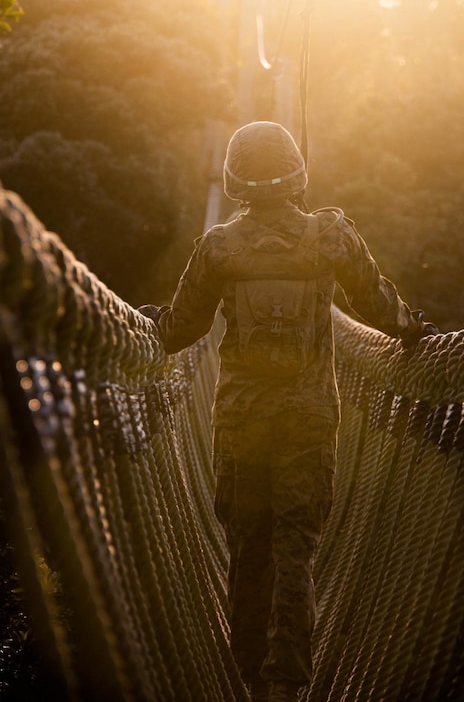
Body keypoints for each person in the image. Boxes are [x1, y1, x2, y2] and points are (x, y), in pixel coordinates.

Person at [139, 121, 438, 702]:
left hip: (241, 419)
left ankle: (248, 675)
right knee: (295, 548)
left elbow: (179, 332)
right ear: (297, 171)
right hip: (309, 418)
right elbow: (378, 305)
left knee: (248, 545)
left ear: (235, 180)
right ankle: (286, 684)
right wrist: (413, 329)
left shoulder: (219, 247)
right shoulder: (330, 235)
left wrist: (148, 322)